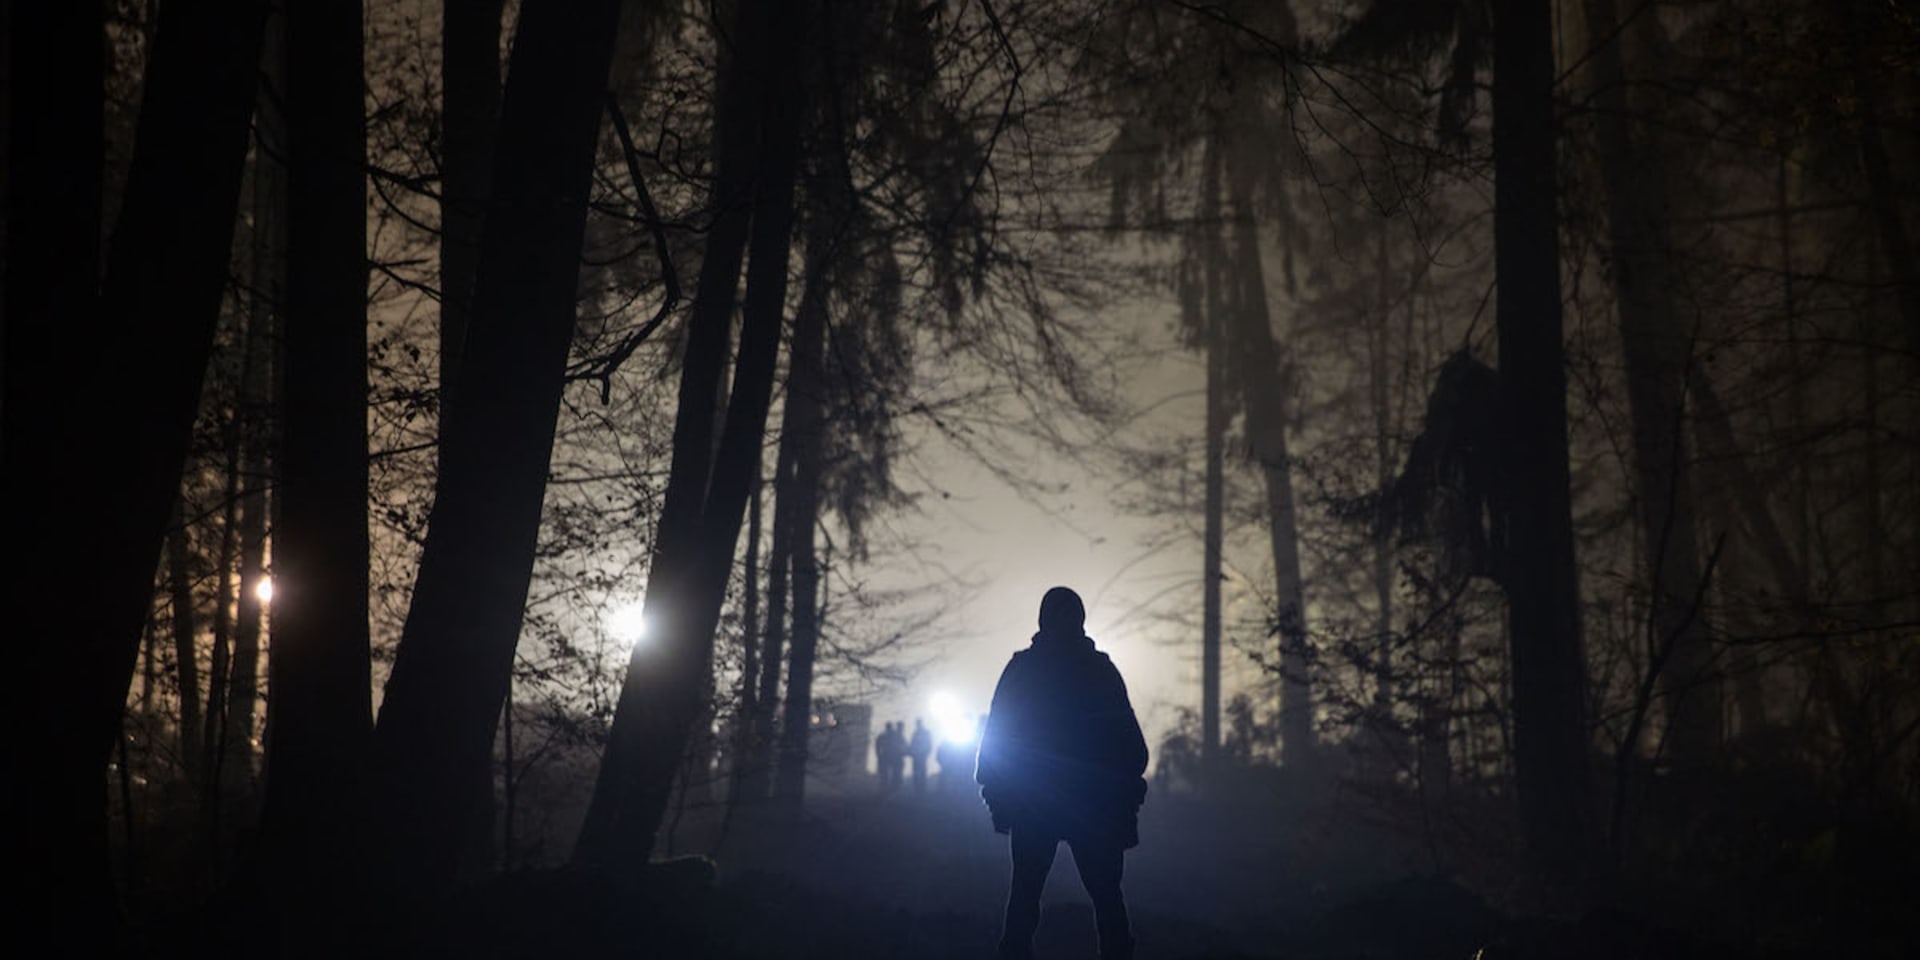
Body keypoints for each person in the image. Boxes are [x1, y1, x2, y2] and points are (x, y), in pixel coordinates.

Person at [976, 586, 1148, 960]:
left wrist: (995, 788)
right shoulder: (1100, 671)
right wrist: (1123, 789)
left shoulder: (1023, 669)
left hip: (1036, 802)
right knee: (1106, 899)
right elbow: (1132, 748)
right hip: (1092, 805)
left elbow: (997, 736)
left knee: (1025, 897)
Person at [908, 718, 933, 795]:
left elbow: (928, 744)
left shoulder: (920, 733)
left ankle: (920, 790)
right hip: (918, 756)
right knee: (919, 773)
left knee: (920, 773)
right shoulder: (917, 733)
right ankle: (919, 790)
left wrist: (925, 753)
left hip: (920, 756)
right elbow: (912, 745)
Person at [875, 721, 902, 793]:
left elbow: (877, 746)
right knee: (891, 774)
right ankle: (891, 788)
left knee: (886, 775)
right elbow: (900, 745)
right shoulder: (895, 735)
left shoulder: (882, 736)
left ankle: (885, 788)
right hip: (892, 757)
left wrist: (879, 755)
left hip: (887, 756)